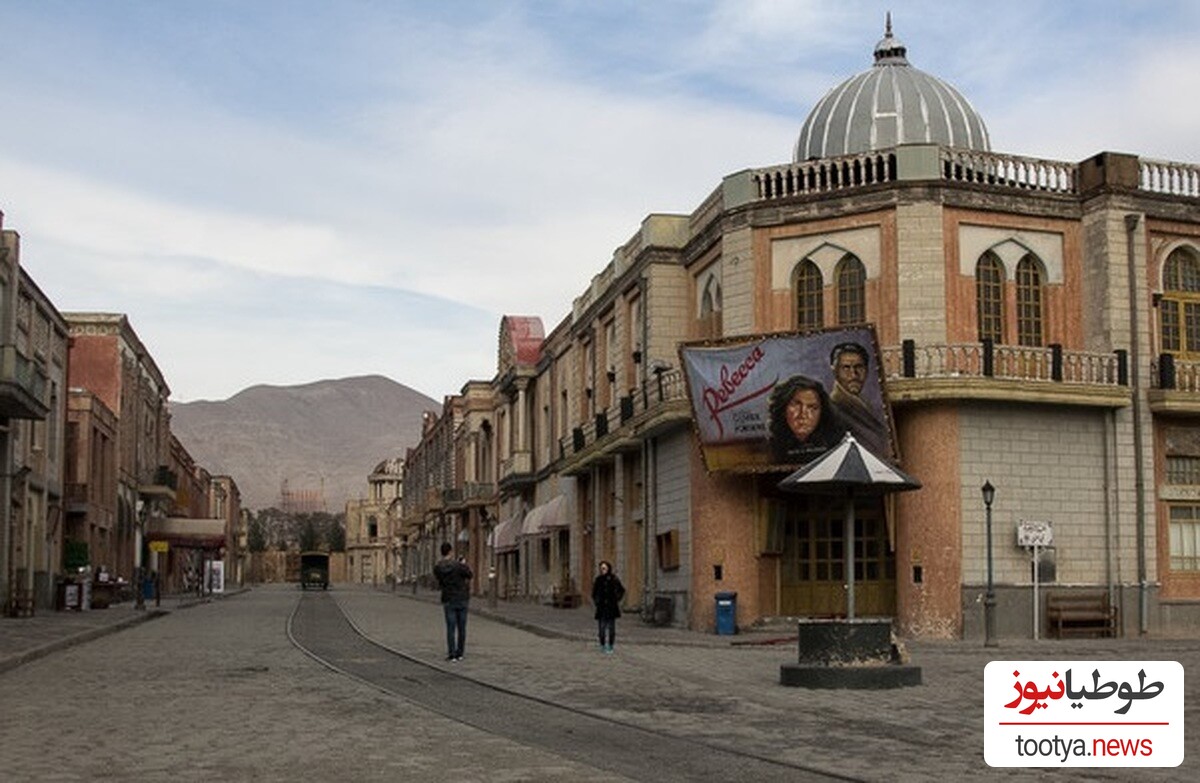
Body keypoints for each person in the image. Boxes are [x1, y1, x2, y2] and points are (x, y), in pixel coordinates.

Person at [828, 342, 892, 459]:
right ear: (835, 370)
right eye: (846, 368)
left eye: (859, 367)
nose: (854, 374)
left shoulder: (865, 404)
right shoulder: (833, 409)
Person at [768, 374, 846, 465]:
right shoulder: (768, 448)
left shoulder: (837, 447)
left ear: (822, 413)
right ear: (782, 409)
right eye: (796, 404)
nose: (803, 414)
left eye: (812, 407)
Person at [433, 542, 472, 661]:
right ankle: (460, 653)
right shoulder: (458, 566)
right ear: (450, 551)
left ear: (441, 552)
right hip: (461, 598)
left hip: (448, 598)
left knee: (450, 627)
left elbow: (439, 581)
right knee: (462, 627)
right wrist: (463, 564)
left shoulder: (438, 567)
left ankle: (452, 654)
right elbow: (470, 574)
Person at [591, 560, 625, 654]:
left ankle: (610, 645)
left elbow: (621, 590)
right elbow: (594, 593)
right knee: (601, 629)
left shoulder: (614, 579)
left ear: (608, 568)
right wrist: (597, 601)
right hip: (601, 607)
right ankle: (602, 644)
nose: (603, 570)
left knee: (611, 629)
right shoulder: (598, 580)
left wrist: (616, 599)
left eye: (604, 568)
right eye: (601, 568)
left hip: (611, 607)